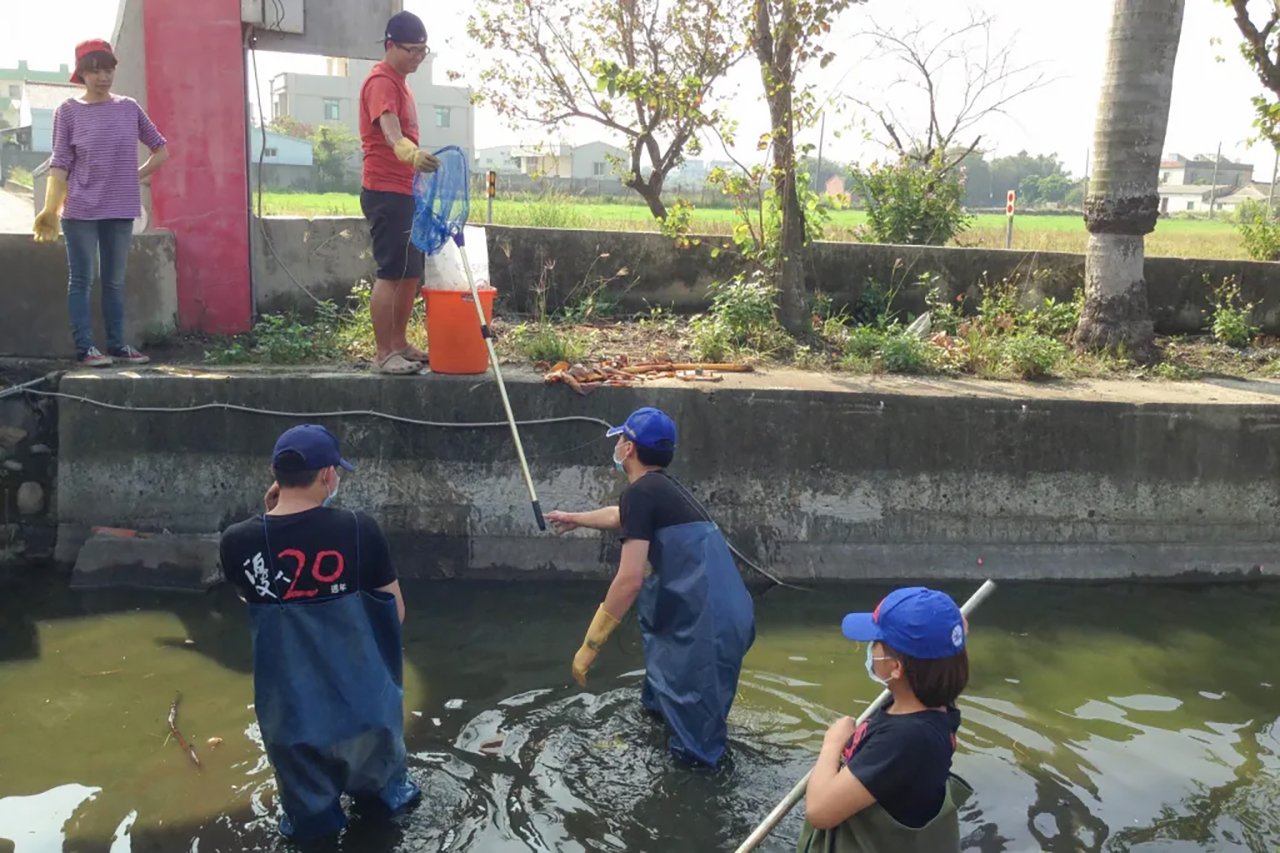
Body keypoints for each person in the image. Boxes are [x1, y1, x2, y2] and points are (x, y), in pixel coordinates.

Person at [219, 424, 419, 841]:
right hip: (365, 711)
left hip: (290, 718)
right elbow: (394, 613)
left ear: (277, 476)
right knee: (386, 817)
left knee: (312, 831)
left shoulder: (237, 541)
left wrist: (266, 512)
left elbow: (254, 601)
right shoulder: (360, 529)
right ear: (328, 475)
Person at [545, 406, 756, 767]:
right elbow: (622, 516)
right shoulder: (661, 490)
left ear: (628, 448)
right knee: (658, 709)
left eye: (621, 440)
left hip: (704, 628)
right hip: (717, 617)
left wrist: (590, 646)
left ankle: (698, 805)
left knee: (698, 751)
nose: (618, 447)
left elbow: (629, 580)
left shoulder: (643, 493)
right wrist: (576, 518)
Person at [797, 586, 973, 852]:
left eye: (875, 643)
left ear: (896, 667)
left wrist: (831, 745)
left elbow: (820, 811)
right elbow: (957, 633)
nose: (869, 649)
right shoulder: (939, 703)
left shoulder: (904, 740)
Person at [33, 38, 169, 368]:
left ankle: (118, 345)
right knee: (82, 279)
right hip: (79, 210)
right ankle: (86, 349)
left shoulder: (128, 108)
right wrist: (50, 208)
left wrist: (133, 175)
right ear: (81, 74)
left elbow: (161, 149)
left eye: (108, 69)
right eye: (95, 71)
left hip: (121, 210)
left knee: (114, 281)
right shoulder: (67, 112)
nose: (103, 77)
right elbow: (61, 161)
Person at [359, 10, 440, 375]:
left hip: (406, 191)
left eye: (423, 51)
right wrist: (407, 151)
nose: (418, 58)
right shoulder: (381, 81)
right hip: (385, 191)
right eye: (412, 51)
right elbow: (389, 128)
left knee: (410, 273)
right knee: (391, 272)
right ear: (391, 45)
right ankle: (383, 354)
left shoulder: (401, 82)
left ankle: (400, 343)